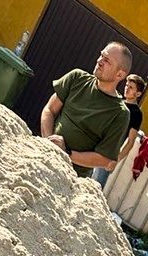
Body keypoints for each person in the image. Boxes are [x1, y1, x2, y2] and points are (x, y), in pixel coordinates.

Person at [41, 44, 132, 179]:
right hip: (43, 153)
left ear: (120, 74)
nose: (99, 61)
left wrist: (66, 153)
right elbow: (49, 110)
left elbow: (104, 158)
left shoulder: (120, 114)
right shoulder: (77, 78)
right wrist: (49, 143)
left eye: (107, 61)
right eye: (101, 55)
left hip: (71, 177)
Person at [92, 72, 146, 187]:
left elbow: (131, 141)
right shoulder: (117, 102)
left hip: (108, 154)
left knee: (95, 187)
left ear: (138, 93)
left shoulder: (136, 114)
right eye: (126, 85)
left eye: (131, 87)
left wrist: (117, 159)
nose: (126, 88)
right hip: (94, 146)